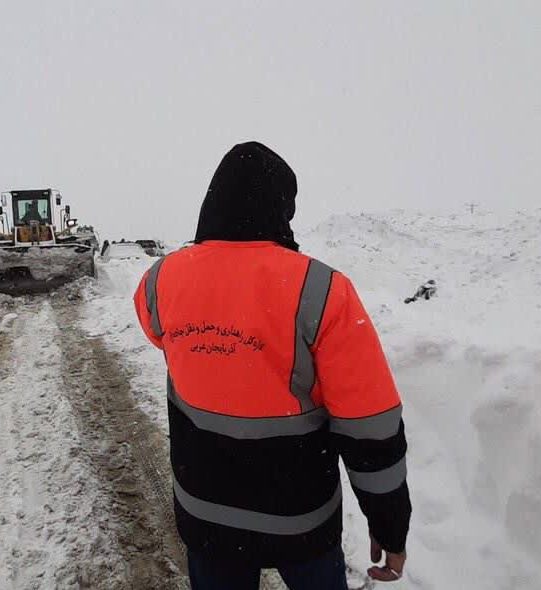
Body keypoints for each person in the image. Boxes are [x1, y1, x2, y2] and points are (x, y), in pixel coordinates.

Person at [134, 142, 411, 589]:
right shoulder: (323, 290)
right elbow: (369, 424)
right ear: (283, 208)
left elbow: (158, 335)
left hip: (206, 516)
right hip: (300, 524)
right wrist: (389, 520)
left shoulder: (160, 279)